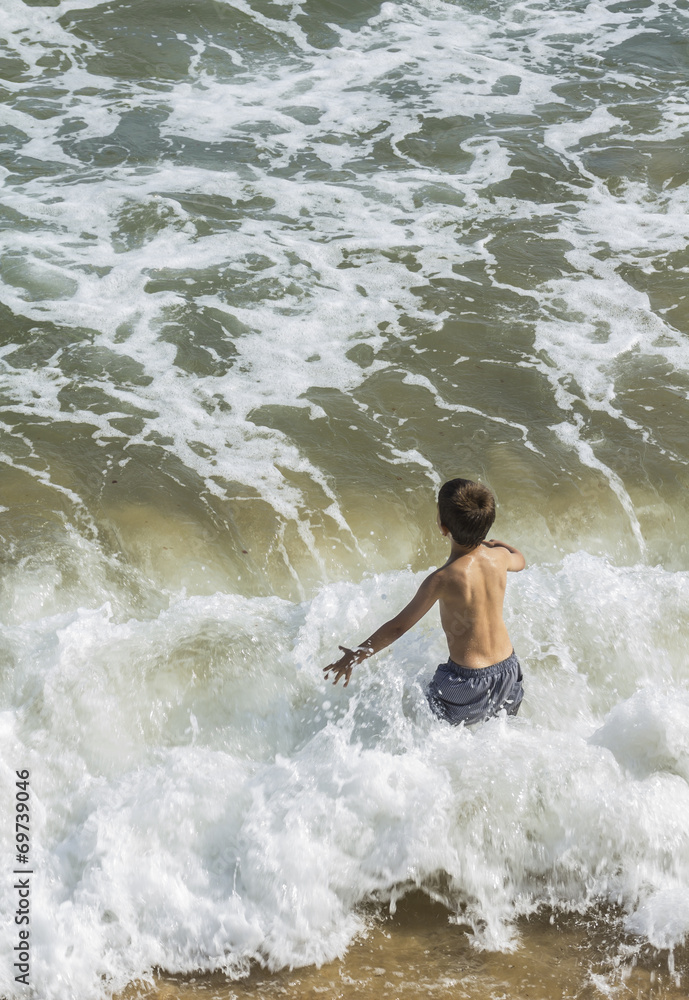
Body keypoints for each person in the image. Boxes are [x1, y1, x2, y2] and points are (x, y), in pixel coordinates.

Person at [323, 478, 526, 726]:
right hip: (508, 670)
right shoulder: (500, 557)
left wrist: (357, 654)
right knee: (501, 727)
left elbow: (398, 626)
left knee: (426, 722)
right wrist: (494, 543)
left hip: (465, 683)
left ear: (442, 527)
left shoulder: (442, 579)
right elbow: (520, 559)